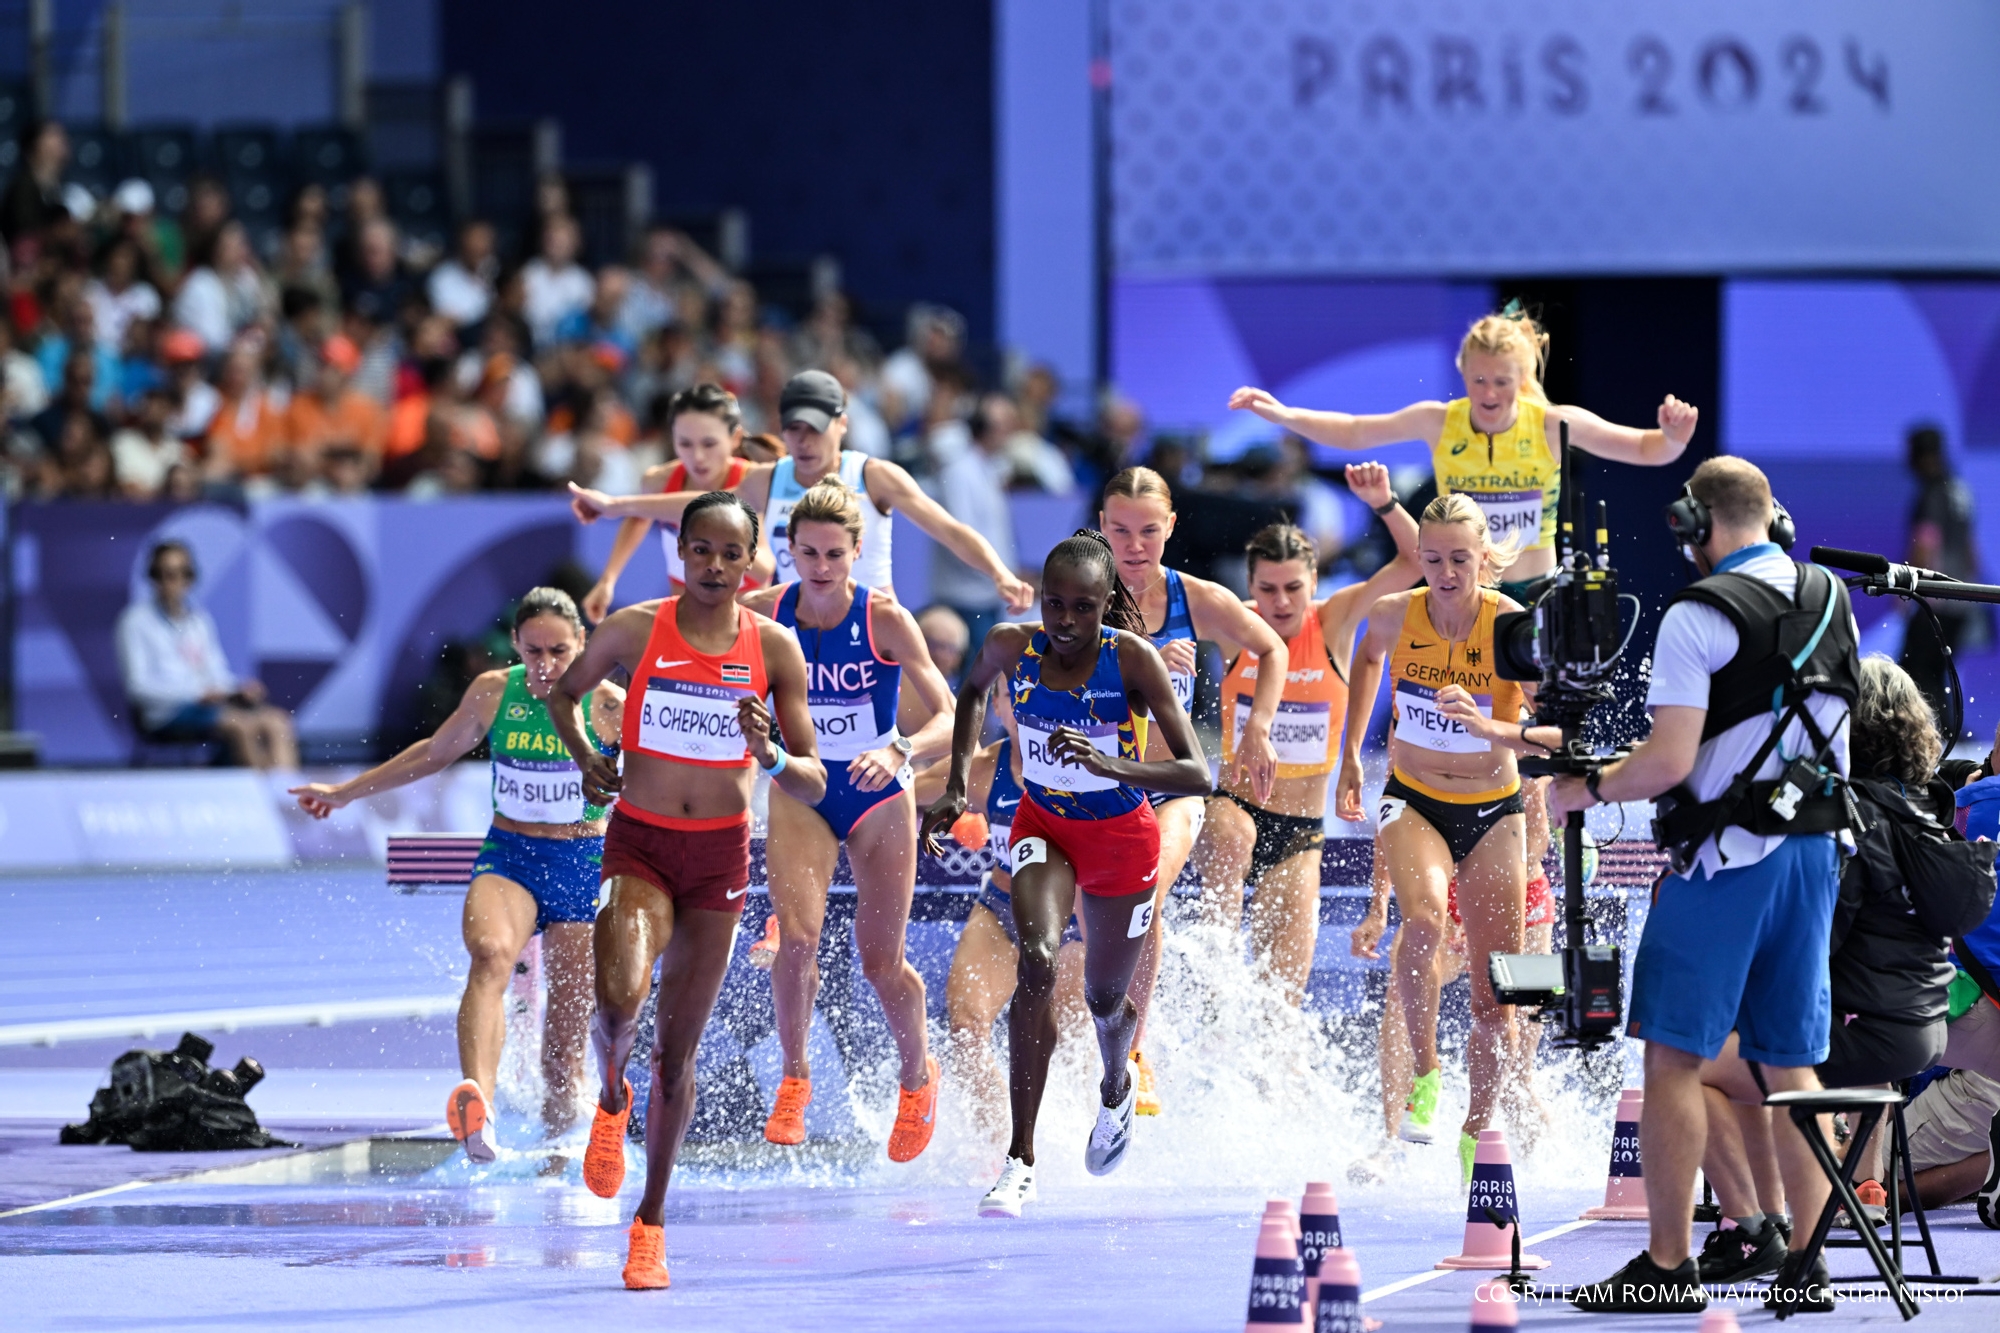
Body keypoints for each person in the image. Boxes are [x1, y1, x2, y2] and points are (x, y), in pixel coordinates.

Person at [1552, 457, 1859, 1314]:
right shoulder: (1832, 596)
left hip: (1729, 859)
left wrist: (1589, 786)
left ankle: (1668, 1263)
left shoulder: (1697, 613)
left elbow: (1668, 761)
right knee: (1791, 1063)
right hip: (1814, 853)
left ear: (1695, 524)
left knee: (1673, 1058)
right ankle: (1807, 1266)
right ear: (1773, 517)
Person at [547, 491, 825, 1290]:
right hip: (639, 845)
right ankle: (611, 1096)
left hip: (718, 864)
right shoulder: (636, 629)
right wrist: (585, 757)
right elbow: (563, 693)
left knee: (675, 1055)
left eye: (729, 552)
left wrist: (770, 754)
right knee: (616, 1002)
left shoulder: (775, 649)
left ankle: (651, 1222)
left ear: (751, 562)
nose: (712, 564)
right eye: (699, 548)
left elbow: (811, 778)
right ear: (681, 552)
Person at [919, 529, 1210, 1217]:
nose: (1066, 621)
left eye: (1083, 607)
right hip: (1045, 828)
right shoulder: (1010, 646)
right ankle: (1019, 1162)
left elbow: (1196, 772)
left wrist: (1113, 765)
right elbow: (971, 695)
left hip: (1120, 840)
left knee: (1106, 1002)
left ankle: (1116, 1086)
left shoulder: (1131, 658)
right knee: (1039, 963)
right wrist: (956, 785)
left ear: (1106, 604)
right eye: (1054, 604)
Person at [1690, 654, 1996, 1284]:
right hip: (1921, 1032)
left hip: (1863, 1034)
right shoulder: (1925, 813)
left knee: (1692, 1068)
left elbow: (1813, 947)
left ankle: (1760, 1226)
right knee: (1774, 1042)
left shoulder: (1836, 820)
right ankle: (1824, 1198)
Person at [289, 590, 621, 1160]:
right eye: (533, 651)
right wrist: (344, 793)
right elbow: (433, 754)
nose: (545, 665)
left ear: (582, 644)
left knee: (563, 1056)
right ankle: (479, 1109)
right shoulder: (494, 692)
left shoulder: (609, 706)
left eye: (559, 652)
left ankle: (559, 1154)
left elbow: (659, 780)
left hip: (581, 863)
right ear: (514, 644)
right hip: (511, 855)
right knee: (489, 956)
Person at [738, 478, 958, 1157]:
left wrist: (899, 750)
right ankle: (795, 1077)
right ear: (789, 550)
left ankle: (917, 1078)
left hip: (877, 794)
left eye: (835, 553)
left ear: (858, 551)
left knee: (880, 962)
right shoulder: (762, 614)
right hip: (800, 787)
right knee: (797, 941)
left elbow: (953, 716)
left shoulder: (885, 618)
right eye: (808, 552)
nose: (822, 566)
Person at [1339, 494, 1531, 1182]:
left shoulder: (1512, 626)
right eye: (1433, 559)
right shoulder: (1395, 613)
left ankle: (1478, 1130)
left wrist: (1490, 728)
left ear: (1484, 558)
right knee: (1420, 922)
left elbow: (1555, 732)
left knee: (1497, 998)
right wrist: (1350, 759)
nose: (1446, 573)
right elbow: (1366, 663)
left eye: (1460, 559)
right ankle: (1425, 1075)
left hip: (1494, 810)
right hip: (1414, 797)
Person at [1096, 465, 1291, 1116]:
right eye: (1121, 531)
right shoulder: (1079, 595)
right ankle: (1099, 1045)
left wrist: (1258, 727)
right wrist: (1144, 660)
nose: (1135, 546)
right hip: (1100, 785)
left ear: (1171, 527)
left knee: (1146, 890)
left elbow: (1272, 648)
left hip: (1175, 783)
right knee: (1093, 934)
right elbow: (1047, 673)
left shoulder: (1195, 598)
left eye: (1149, 531)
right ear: (1101, 526)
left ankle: (1135, 1051)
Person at [1196, 464, 1420, 1006]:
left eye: (1294, 588)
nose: (1281, 603)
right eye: (1267, 589)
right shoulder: (1235, 624)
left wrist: (1386, 504)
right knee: (1231, 837)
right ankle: (1214, 976)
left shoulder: (1335, 621)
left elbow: (1416, 561)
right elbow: (1150, 610)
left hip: (1300, 829)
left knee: (1283, 1001)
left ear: (1314, 583)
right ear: (1250, 586)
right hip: (1235, 809)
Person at [567, 369, 1034, 615]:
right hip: (796, 630)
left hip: (872, 628)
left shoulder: (875, 476)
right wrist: (614, 505)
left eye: (814, 429)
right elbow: (702, 506)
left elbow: (950, 530)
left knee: (917, 731)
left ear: (842, 425)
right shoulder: (767, 480)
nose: (803, 441)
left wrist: (1000, 574)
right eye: (793, 430)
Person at [918, 678, 1089, 1130]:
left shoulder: (1086, 762)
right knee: (966, 1027)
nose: (1024, 705)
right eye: (1013, 696)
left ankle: (1080, 1143)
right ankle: (1002, 1148)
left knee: (1078, 1046)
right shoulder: (982, 770)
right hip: (1002, 909)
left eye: (1036, 693)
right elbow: (901, 792)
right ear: (997, 707)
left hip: (1074, 922)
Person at [581, 384, 769, 621]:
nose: (697, 457)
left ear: (735, 438)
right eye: (685, 444)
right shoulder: (658, 481)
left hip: (747, 618)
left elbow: (765, 570)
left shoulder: (752, 483)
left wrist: (724, 539)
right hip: (685, 619)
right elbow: (638, 518)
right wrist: (608, 580)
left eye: (709, 444)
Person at [116, 540, 297, 769]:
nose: (171, 582)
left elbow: (215, 673)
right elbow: (138, 688)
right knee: (242, 726)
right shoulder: (135, 622)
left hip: (208, 708)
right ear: (153, 578)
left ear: (190, 578)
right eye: (164, 574)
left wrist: (237, 690)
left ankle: (286, 789)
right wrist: (196, 694)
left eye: (180, 574)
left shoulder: (199, 621)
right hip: (167, 713)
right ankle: (264, 788)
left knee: (277, 722)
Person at [1902, 424, 1986, 720]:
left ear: (1920, 457)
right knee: (1935, 671)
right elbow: (1971, 551)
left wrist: (1904, 590)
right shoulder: (1960, 492)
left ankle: (1934, 736)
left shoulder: (1932, 493)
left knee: (1916, 670)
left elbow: (1926, 543)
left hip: (1936, 601)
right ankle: (1948, 732)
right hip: (1961, 600)